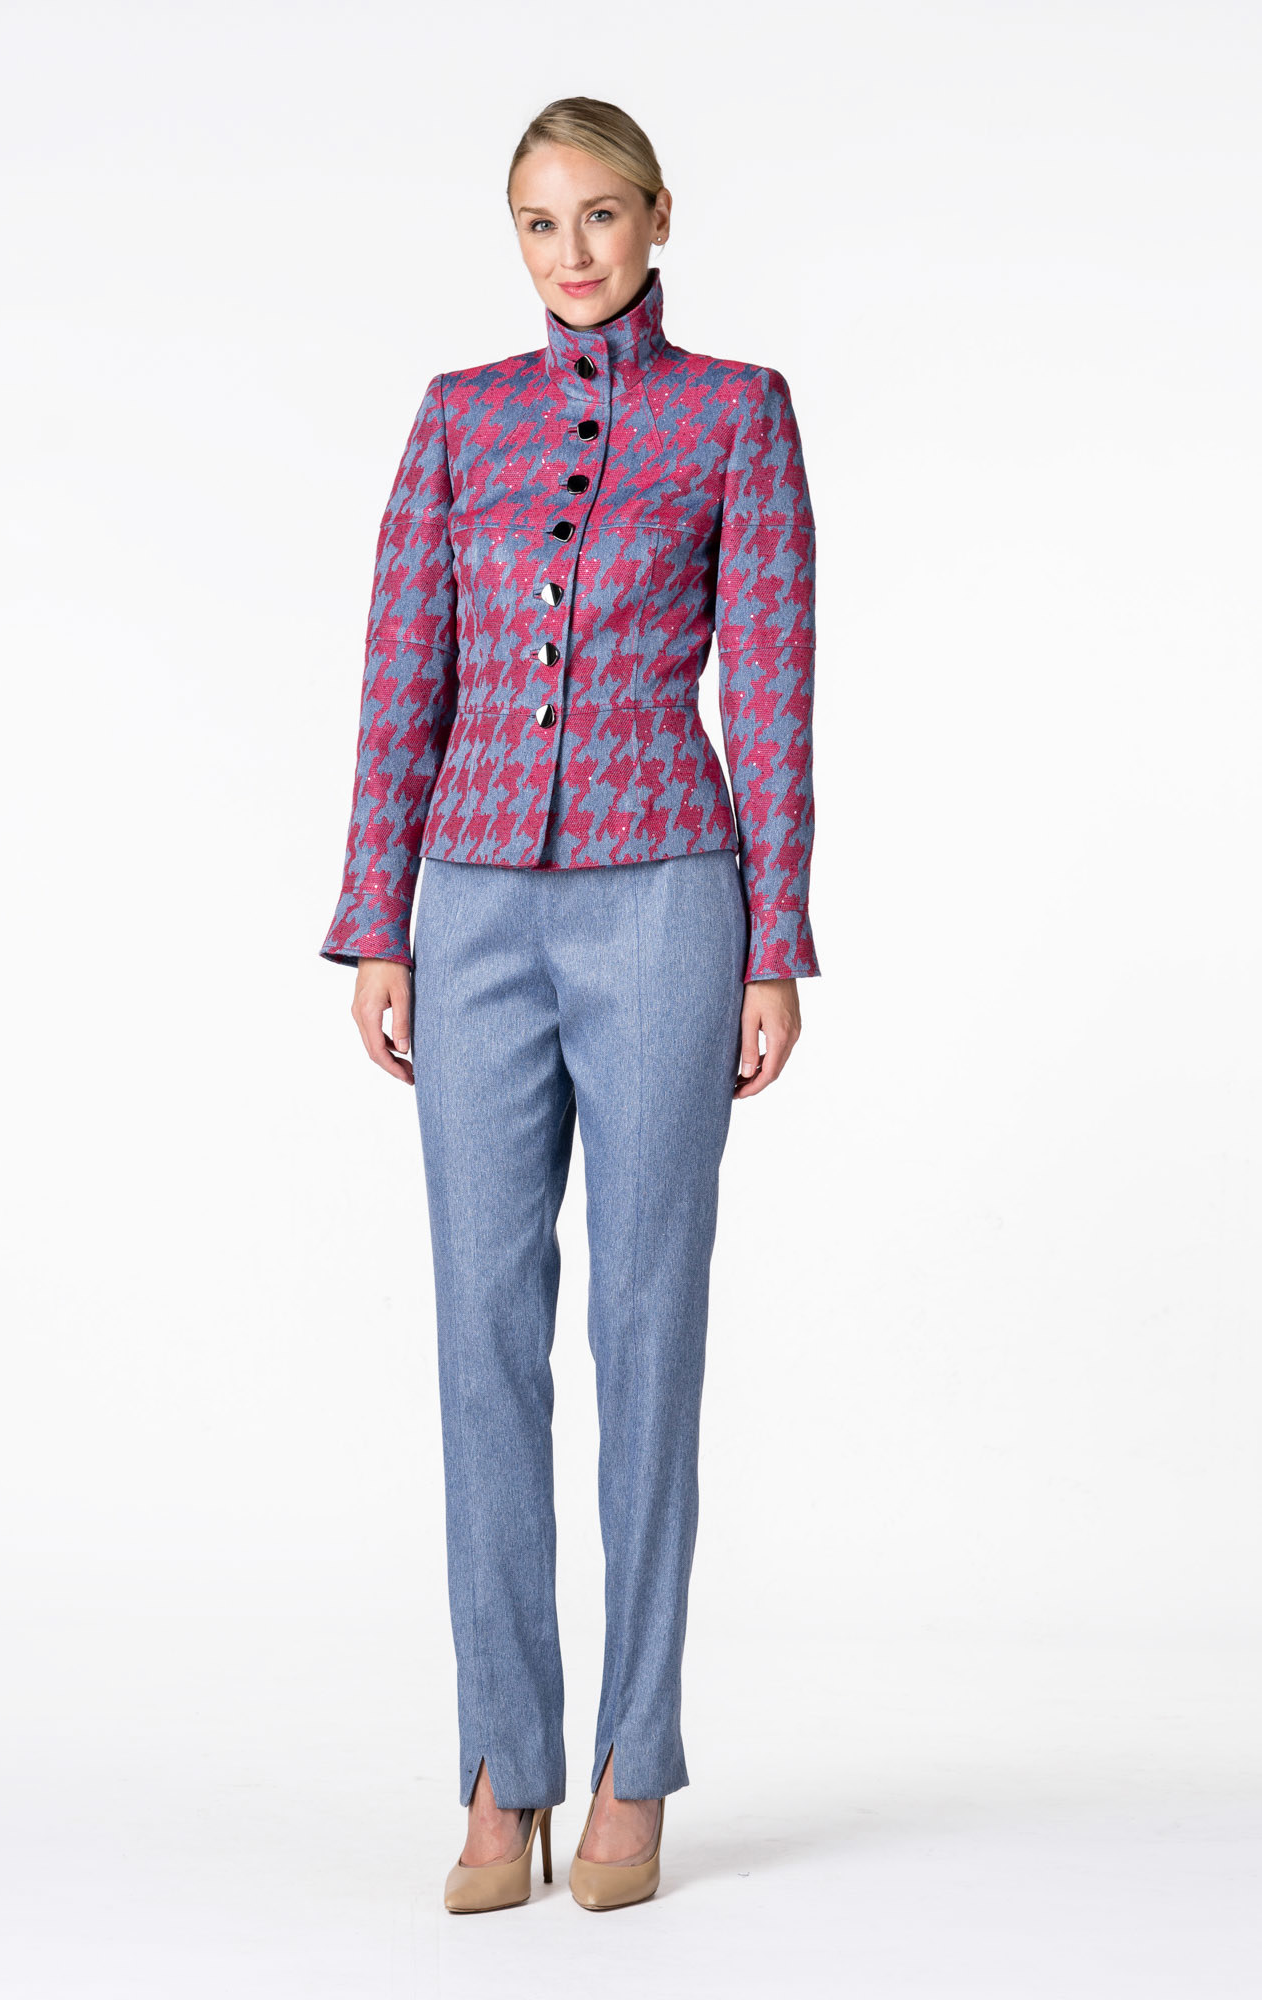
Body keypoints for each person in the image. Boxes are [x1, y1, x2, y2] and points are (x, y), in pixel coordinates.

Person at [320, 95, 820, 1914]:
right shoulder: (459, 417)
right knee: (480, 1328)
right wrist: (378, 918)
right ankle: (497, 1761)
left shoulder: (737, 412)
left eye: (600, 215)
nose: (572, 253)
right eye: (540, 223)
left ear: (658, 217)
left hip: (670, 897)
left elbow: (773, 683)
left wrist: (774, 943)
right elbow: (404, 671)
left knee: (644, 1325)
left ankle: (632, 1759)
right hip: (470, 909)